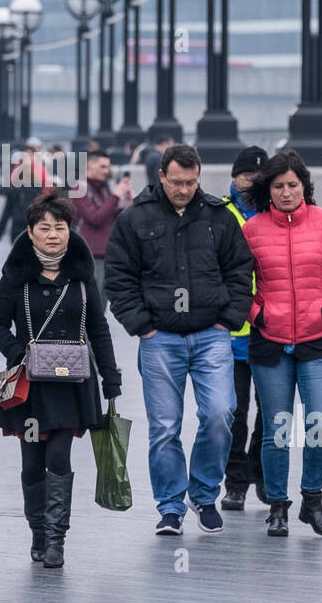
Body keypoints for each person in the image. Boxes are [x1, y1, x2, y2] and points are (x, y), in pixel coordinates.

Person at [105, 143, 254, 536]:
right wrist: (142, 326)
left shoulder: (219, 218)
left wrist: (228, 320)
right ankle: (170, 506)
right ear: (161, 177)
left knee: (221, 414)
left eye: (191, 182)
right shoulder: (135, 218)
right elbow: (118, 277)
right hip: (160, 338)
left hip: (212, 334)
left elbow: (241, 270)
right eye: (177, 183)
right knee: (165, 426)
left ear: (199, 177)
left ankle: (204, 495)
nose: (184, 189)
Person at [0, 194, 121, 567]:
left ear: (70, 231)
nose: (52, 234)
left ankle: (56, 540)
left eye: (59, 227)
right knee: (32, 463)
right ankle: (38, 532)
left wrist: (111, 377)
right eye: (44, 228)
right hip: (30, 390)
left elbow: (98, 327)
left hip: (72, 386)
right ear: (30, 232)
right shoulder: (16, 278)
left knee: (59, 456)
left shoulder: (81, 279)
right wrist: (19, 353)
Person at [243, 149, 322, 537]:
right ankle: (277, 506)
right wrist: (257, 314)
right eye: (279, 186)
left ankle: (312, 502)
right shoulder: (252, 229)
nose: (287, 192)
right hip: (270, 343)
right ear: (268, 190)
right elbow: (236, 284)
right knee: (276, 429)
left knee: (319, 425)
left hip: (318, 341)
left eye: (293, 185)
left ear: (304, 186)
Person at [220, 145, 268, 511]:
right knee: (233, 415)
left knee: (270, 412)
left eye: (258, 175)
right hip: (230, 334)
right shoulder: (221, 214)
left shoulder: (276, 214)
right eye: (246, 174)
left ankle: (261, 474)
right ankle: (235, 482)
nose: (252, 180)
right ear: (234, 178)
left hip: (271, 331)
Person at [70, 149, 131, 301]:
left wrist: (124, 204)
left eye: (108, 167)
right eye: (103, 167)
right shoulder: (79, 188)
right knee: (92, 301)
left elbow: (108, 215)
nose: (106, 171)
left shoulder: (103, 187)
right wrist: (116, 195)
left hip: (106, 252)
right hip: (89, 252)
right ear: (90, 164)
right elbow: (95, 217)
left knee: (102, 301)